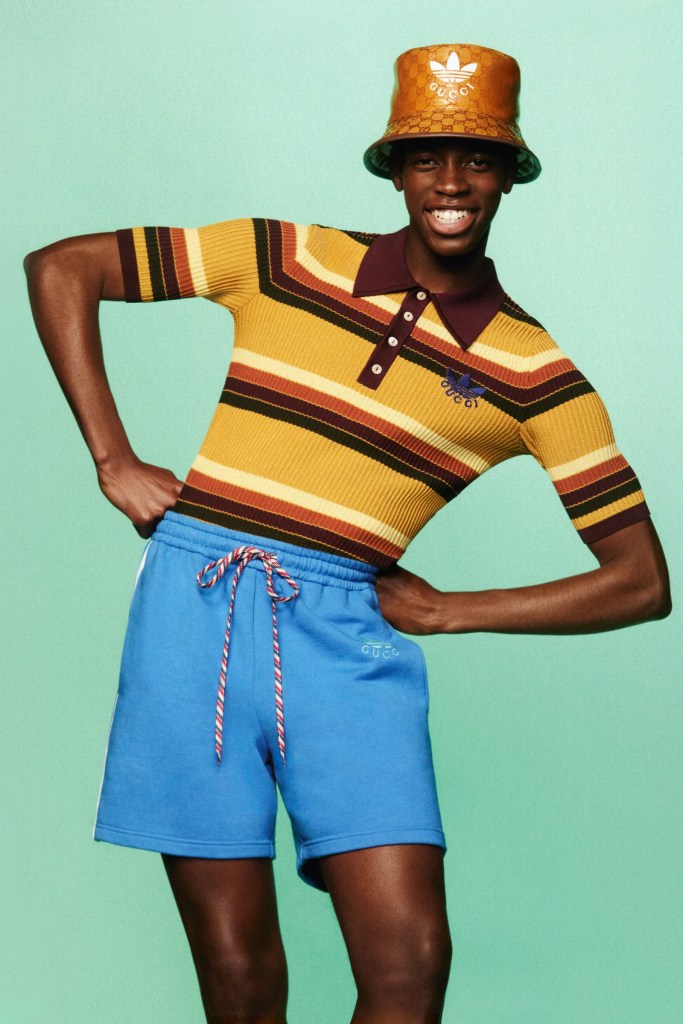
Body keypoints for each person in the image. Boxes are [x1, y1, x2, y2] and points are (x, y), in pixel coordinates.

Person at [24, 42, 670, 1024]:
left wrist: (449, 612)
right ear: (395, 170)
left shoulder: (538, 374)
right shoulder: (285, 256)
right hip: (193, 612)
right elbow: (61, 267)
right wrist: (113, 457)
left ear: (508, 175)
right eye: (425, 157)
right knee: (239, 975)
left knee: (409, 963)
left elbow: (639, 581)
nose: (449, 182)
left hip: (343, 637)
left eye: (477, 159)